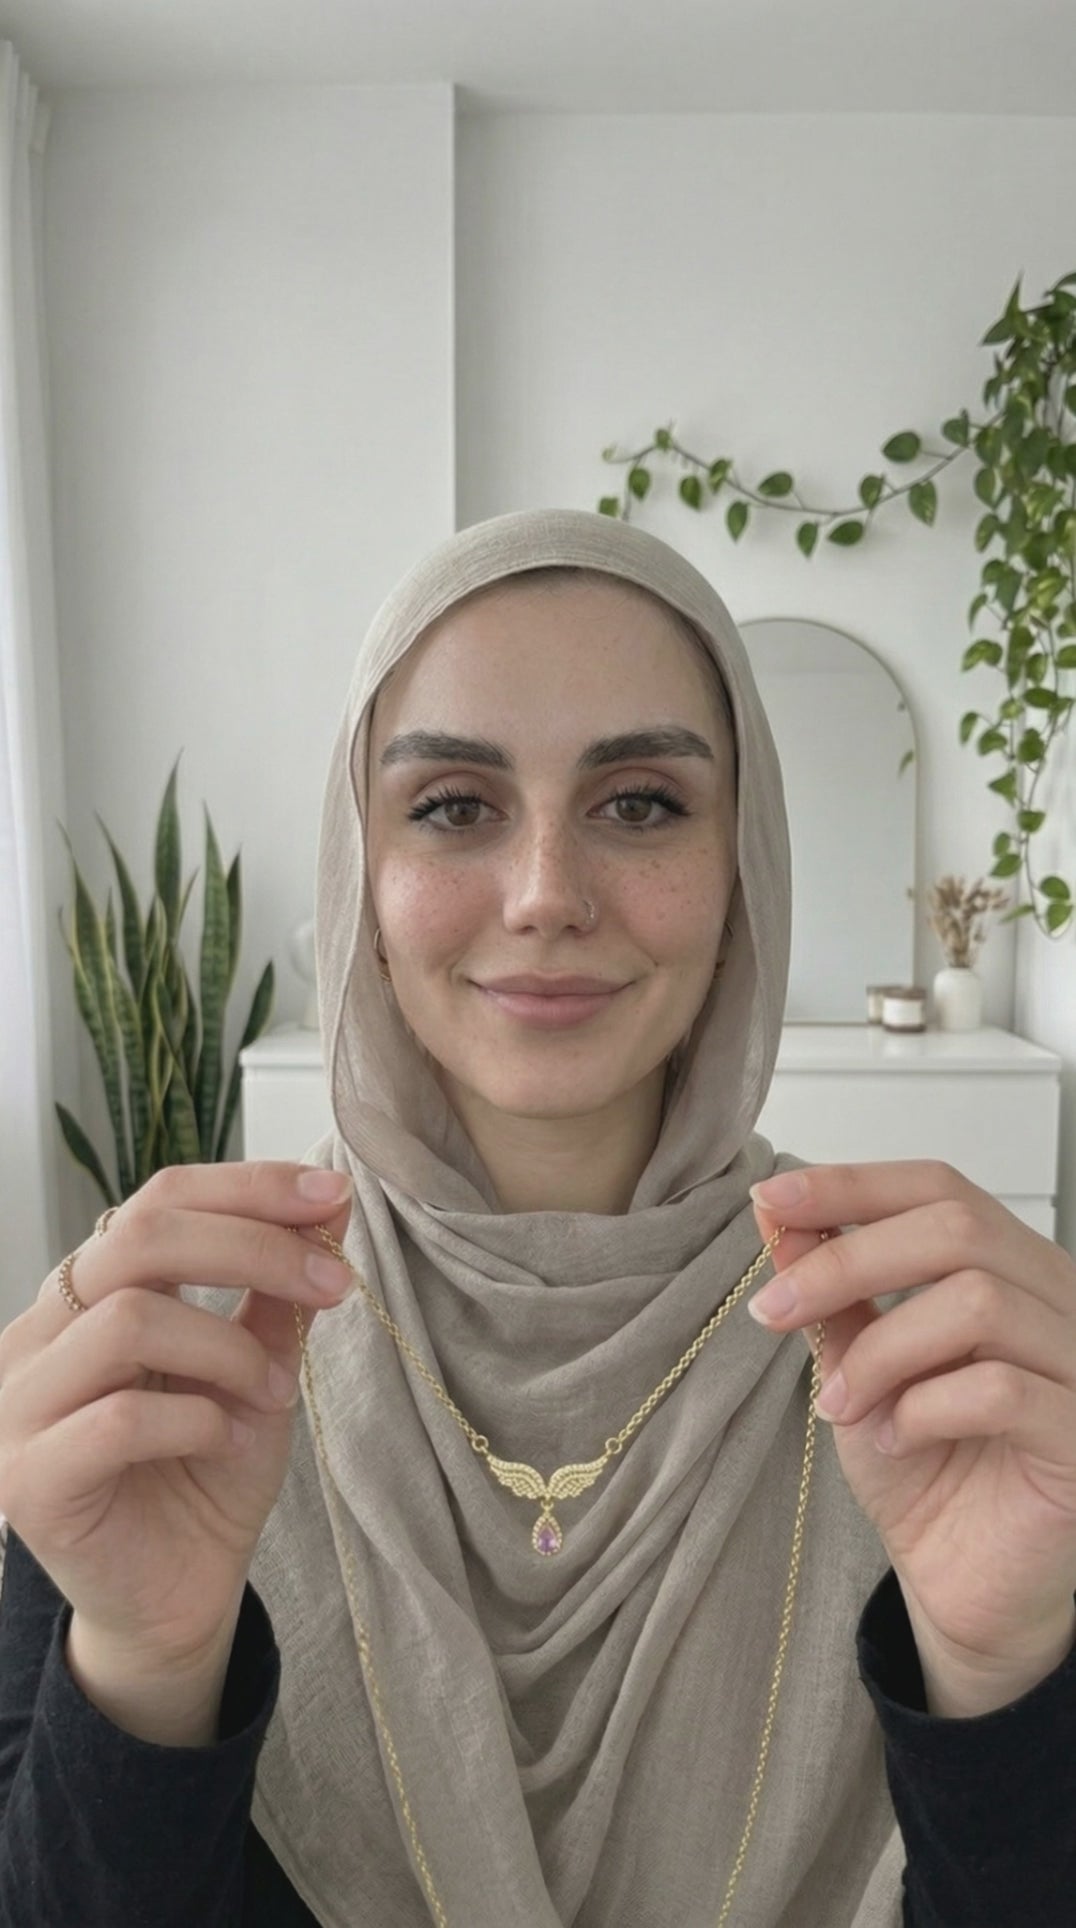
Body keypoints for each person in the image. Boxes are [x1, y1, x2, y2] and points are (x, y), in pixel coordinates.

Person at [1, 507, 1074, 1927]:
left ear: (744, 859)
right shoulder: (171, 1371)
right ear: (361, 871)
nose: (546, 896)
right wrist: (145, 1666)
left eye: (641, 803)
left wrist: (1006, 1673)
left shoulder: (933, 1372)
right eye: (454, 806)